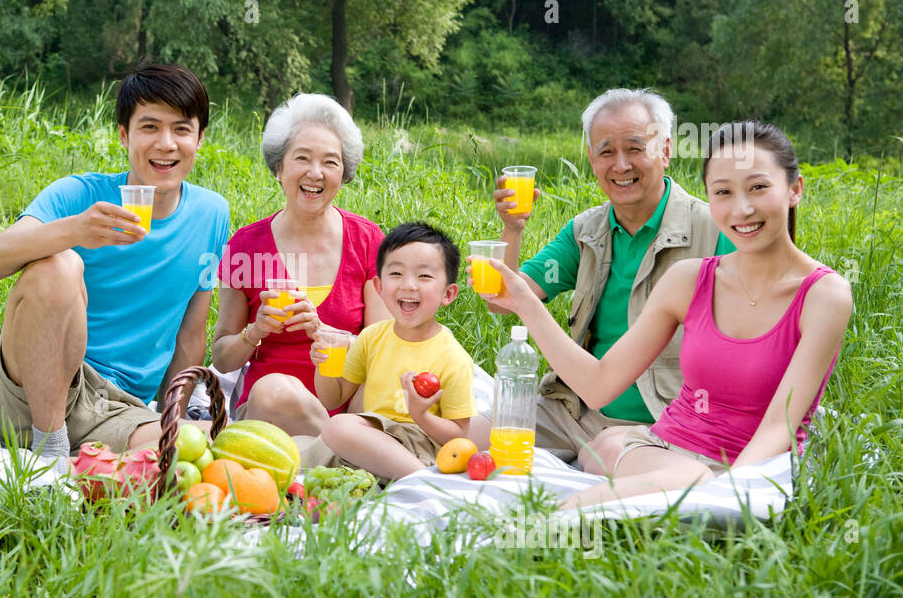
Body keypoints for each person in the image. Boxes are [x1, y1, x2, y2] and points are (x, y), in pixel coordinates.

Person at [472, 121, 852, 509]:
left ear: (794, 189)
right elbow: (599, 385)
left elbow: (779, 427)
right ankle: (563, 515)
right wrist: (526, 303)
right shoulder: (689, 279)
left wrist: (728, 490)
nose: (742, 208)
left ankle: (569, 512)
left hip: (747, 465)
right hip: (661, 450)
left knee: (686, 477)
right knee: (635, 458)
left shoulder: (825, 295)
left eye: (758, 187)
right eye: (723, 192)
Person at [469, 88, 737, 468]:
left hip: (664, 420)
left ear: (665, 150)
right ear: (592, 159)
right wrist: (511, 229)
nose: (621, 165)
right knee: (463, 435)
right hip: (575, 412)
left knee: (603, 457)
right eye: (606, 151)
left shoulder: (714, 229)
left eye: (635, 148)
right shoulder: (586, 231)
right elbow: (503, 300)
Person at [0, 64, 230, 456]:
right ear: (124, 135)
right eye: (149, 127)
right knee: (60, 265)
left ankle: (68, 450)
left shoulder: (211, 214)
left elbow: (191, 335)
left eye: (181, 129)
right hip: (33, 384)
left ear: (199, 139)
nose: (166, 144)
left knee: (194, 448)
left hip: (117, 408)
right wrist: (75, 231)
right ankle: (48, 449)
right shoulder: (78, 195)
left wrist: (170, 414)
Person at [210, 93, 387, 436]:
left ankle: (339, 448)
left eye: (330, 162)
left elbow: (382, 344)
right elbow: (221, 358)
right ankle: (346, 450)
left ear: (343, 173)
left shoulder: (367, 239)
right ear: (279, 167)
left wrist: (326, 333)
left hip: (349, 404)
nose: (315, 173)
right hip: (274, 410)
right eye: (302, 158)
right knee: (274, 392)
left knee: (392, 382)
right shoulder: (245, 246)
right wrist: (255, 331)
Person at [309, 222, 478, 482]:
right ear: (378, 286)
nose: (408, 285)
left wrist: (420, 414)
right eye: (396, 273)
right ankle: (387, 484)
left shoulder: (451, 357)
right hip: (373, 441)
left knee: (338, 427)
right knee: (301, 450)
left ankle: (425, 482)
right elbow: (333, 400)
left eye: (424, 276)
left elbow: (458, 437)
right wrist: (323, 366)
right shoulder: (372, 337)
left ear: (448, 294)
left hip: (419, 448)